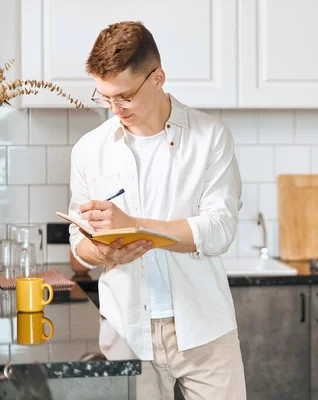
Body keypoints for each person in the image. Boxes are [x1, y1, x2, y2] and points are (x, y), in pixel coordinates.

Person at [67, 21, 246, 399]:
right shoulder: (88, 149)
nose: (115, 109)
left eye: (125, 96)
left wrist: (136, 227)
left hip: (205, 329)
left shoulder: (210, 136)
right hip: (126, 331)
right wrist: (101, 250)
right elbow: (78, 243)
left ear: (158, 77)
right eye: (105, 97)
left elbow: (219, 229)